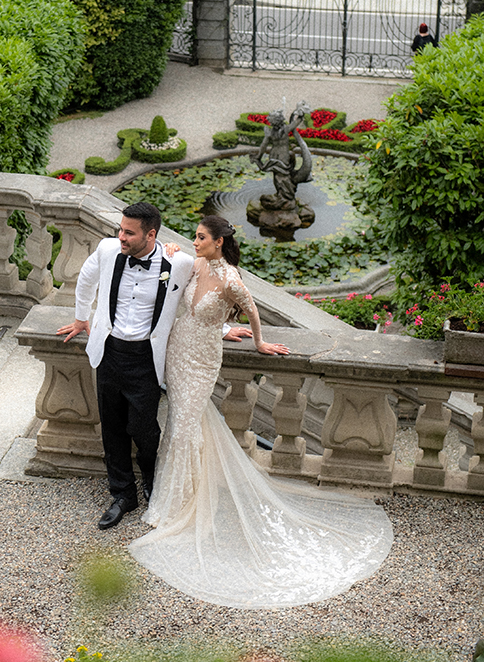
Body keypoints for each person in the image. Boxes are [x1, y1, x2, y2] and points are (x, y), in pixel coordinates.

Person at [128, 215, 394, 609]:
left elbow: (253, 311)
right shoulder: (197, 263)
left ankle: (180, 504)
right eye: (195, 237)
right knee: (181, 423)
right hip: (178, 350)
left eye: (201, 238)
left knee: (184, 425)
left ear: (218, 242)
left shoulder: (232, 279)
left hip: (202, 360)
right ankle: (179, 492)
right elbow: (182, 291)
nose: (194, 242)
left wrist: (259, 343)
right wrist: (172, 253)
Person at [56, 202, 255, 530]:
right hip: (109, 352)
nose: (121, 236)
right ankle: (122, 494)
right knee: (113, 428)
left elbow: (200, 297)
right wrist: (81, 318)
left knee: (144, 430)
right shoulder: (108, 250)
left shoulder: (177, 262)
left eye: (128, 233)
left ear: (151, 234)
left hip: (146, 360)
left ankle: (152, 482)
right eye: (120, 229)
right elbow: (86, 278)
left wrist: (222, 328)